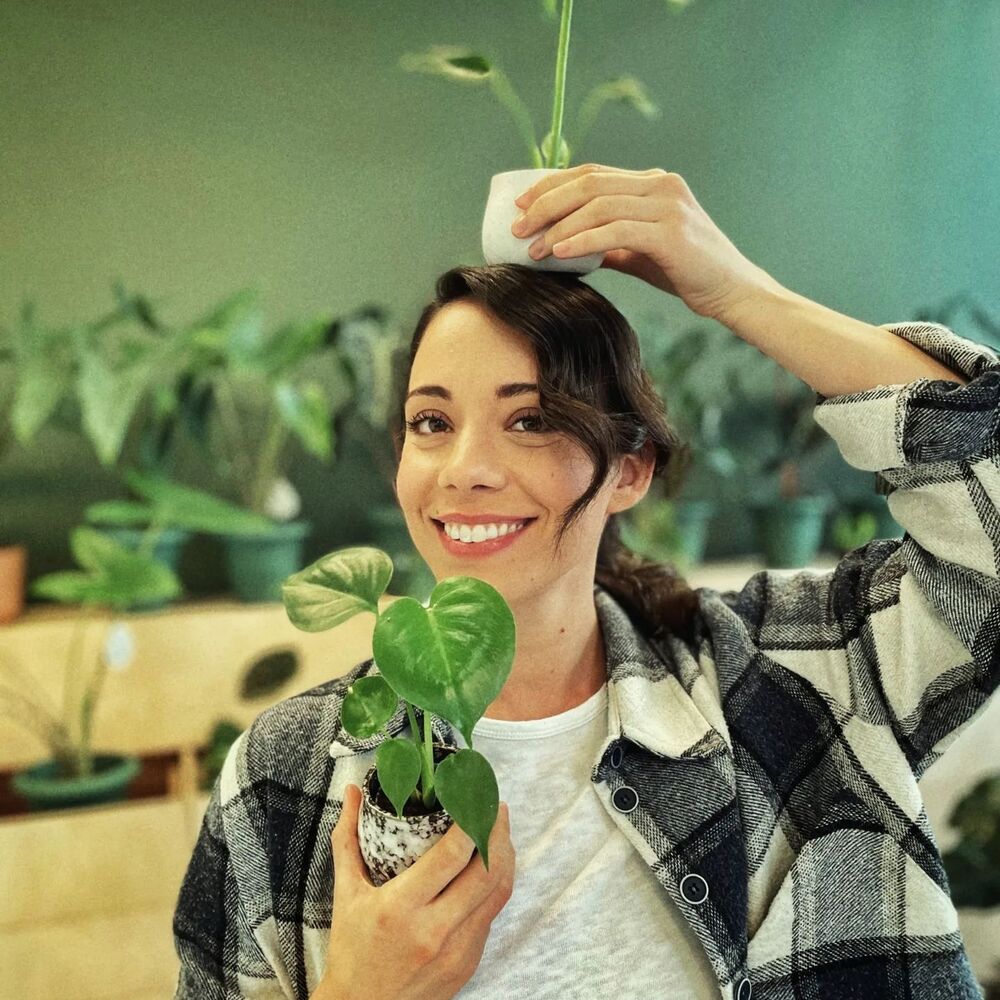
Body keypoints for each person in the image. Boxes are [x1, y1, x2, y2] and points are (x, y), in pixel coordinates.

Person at [173, 165, 1000, 1000]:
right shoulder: (288, 779)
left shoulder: (795, 677)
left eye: (529, 419)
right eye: (432, 422)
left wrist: (737, 292)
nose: (465, 471)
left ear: (630, 470)